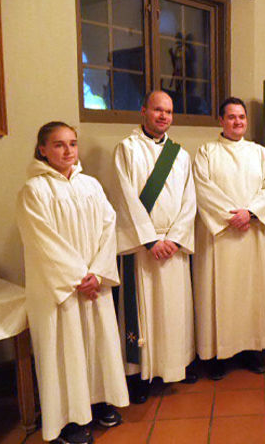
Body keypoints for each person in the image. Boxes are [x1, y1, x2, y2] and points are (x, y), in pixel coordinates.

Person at [16, 122, 128, 444]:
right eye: (59, 145)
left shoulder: (91, 185)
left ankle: (96, 402)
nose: (68, 151)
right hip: (62, 290)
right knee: (64, 350)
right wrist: (78, 277)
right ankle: (68, 420)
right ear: (43, 149)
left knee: (96, 344)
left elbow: (109, 227)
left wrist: (98, 272)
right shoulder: (34, 191)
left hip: (94, 281)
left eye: (73, 144)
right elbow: (42, 242)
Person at [111, 90, 198, 404]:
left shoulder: (181, 155)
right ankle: (140, 374)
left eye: (169, 112)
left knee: (171, 310)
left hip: (171, 245)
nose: (164, 116)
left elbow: (190, 201)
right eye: (158, 110)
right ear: (144, 110)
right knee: (145, 312)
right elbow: (124, 197)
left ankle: (171, 367)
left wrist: (174, 239)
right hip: (143, 248)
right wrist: (149, 240)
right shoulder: (127, 149)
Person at [192, 97, 265, 380]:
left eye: (241, 117)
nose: (238, 122)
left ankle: (252, 350)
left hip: (252, 233)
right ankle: (219, 353)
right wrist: (232, 216)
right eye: (231, 117)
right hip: (222, 235)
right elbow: (202, 189)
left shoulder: (259, 152)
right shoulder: (206, 152)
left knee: (253, 293)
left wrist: (251, 212)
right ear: (221, 120)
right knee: (222, 293)